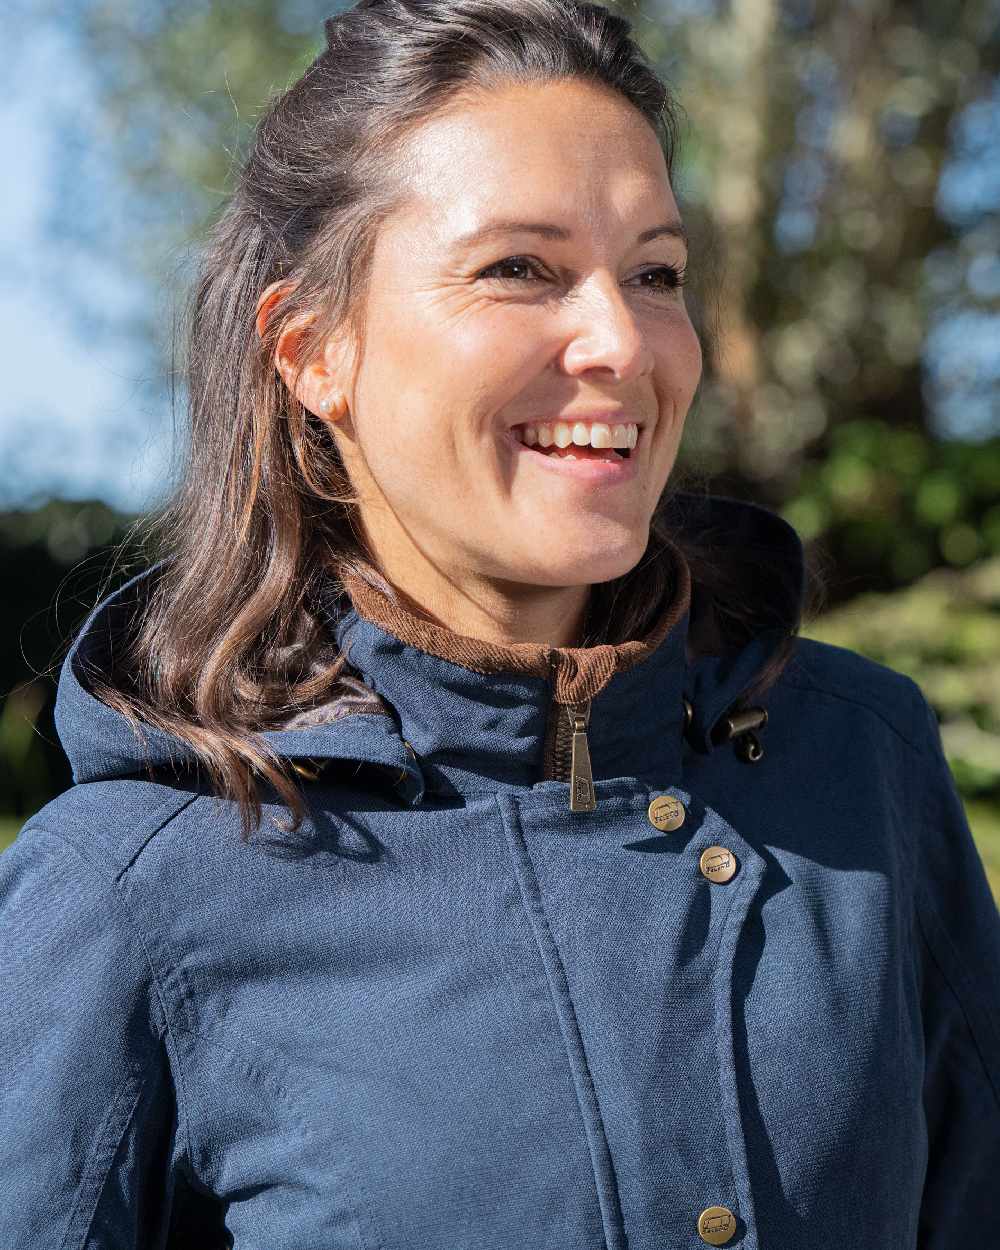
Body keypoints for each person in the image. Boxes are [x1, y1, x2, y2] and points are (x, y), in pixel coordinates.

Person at [2, 0, 998, 1245]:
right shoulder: (134, 883)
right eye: (519, 268)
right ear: (314, 349)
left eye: (655, 273)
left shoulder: (862, 759)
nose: (622, 342)